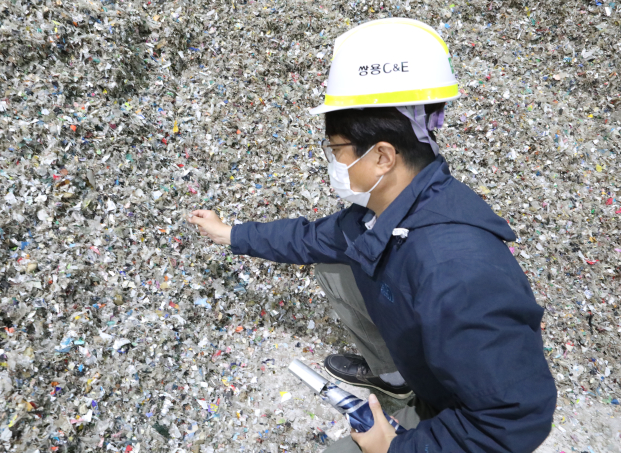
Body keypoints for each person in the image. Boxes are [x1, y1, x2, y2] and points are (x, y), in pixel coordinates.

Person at [188, 18, 556, 453]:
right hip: (433, 378)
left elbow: (511, 422)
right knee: (336, 264)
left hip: (457, 422)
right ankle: (398, 381)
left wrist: (391, 448)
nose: (332, 163)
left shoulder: (457, 270)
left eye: (337, 150)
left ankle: (414, 406)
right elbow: (310, 238)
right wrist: (231, 233)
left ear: (382, 156)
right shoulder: (383, 212)